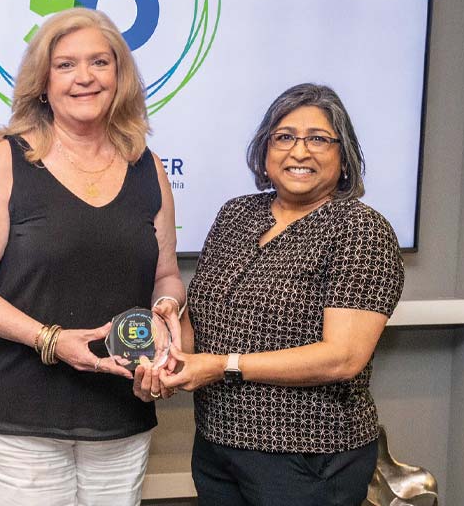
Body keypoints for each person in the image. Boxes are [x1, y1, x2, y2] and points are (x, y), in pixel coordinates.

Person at [0, 7, 185, 506]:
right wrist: (51, 339)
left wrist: (166, 311)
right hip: (22, 415)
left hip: (121, 412)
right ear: (43, 82)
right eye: (66, 65)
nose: (84, 77)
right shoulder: (8, 160)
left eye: (100, 62)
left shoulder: (148, 167)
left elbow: (165, 275)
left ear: (119, 76)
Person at [159, 83, 404, 506]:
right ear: (265, 150)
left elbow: (343, 357)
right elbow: (201, 319)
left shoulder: (360, 229)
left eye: (318, 139)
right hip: (217, 446)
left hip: (309, 457)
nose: (299, 151)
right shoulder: (236, 214)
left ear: (344, 155)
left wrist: (223, 366)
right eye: (285, 137)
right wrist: (161, 357)